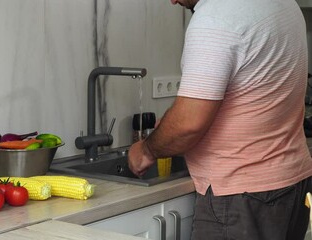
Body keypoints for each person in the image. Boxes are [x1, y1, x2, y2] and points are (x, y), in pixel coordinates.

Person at [128, 0, 312, 239]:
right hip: (292, 183)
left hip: (241, 195)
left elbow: (188, 124)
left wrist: (146, 150)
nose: (172, 1)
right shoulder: (284, 3)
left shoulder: (216, 17)